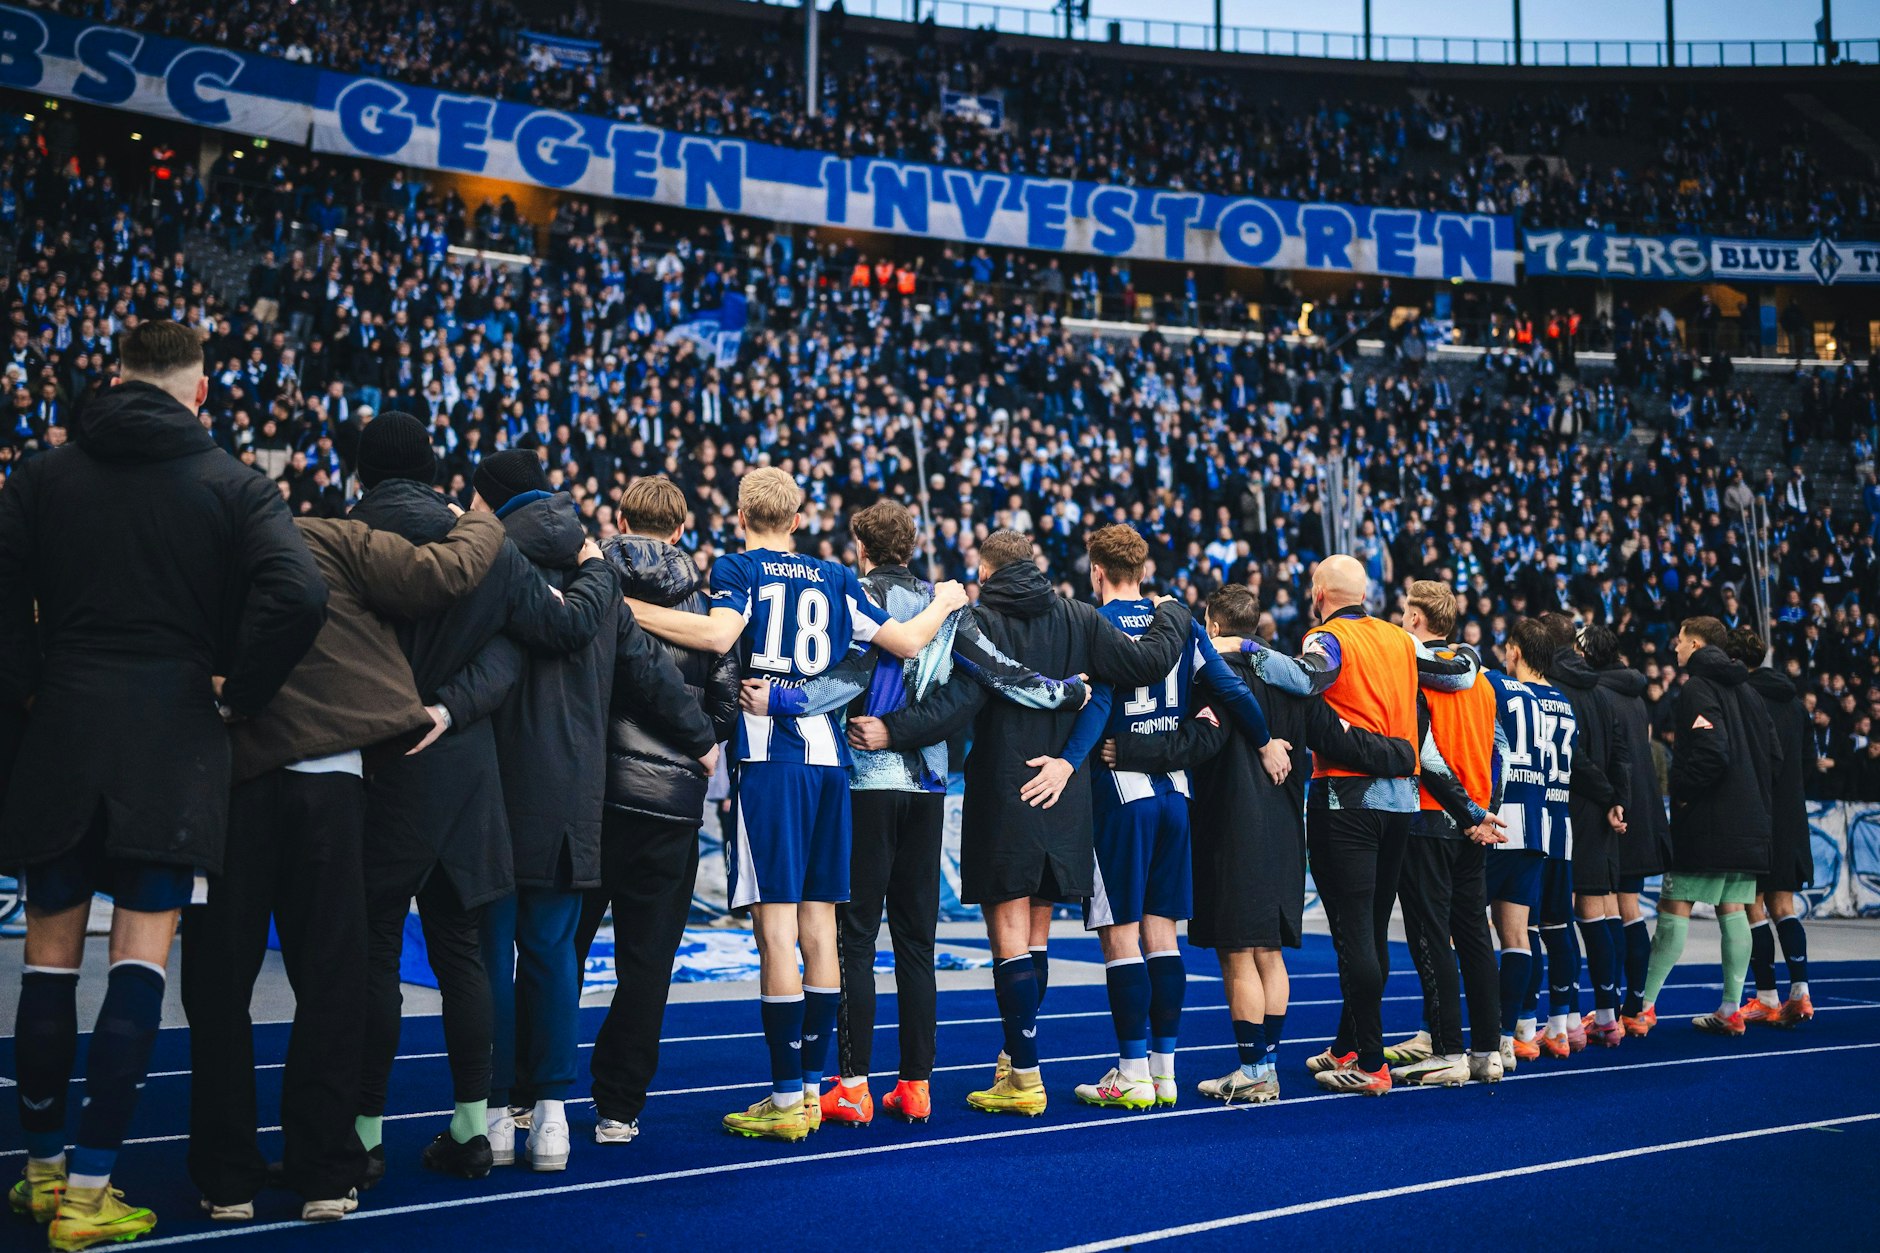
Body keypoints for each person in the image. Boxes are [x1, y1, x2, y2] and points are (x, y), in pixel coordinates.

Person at [1, 320, 327, 1249]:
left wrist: (27, 681)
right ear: (200, 392)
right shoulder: (233, 481)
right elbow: (299, 595)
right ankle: (91, 1195)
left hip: (58, 728)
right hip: (172, 742)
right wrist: (239, 687)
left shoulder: (43, 471)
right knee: (139, 964)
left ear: (115, 378)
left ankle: (41, 1173)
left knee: (49, 963)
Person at [621, 468, 965, 1143]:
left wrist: (619, 607)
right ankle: (813, 1089)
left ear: (743, 511)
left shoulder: (738, 566)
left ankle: (786, 1099)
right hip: (830, 765)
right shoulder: (838, 576)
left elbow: (719, 637)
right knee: (820, 927)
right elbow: (907, 642)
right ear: (800, 515)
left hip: (771, 761)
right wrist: (947, 597)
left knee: (776, 931)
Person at [185, 505, 505, 1224]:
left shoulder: (208, 538)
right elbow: (444, 573)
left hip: (229, 776)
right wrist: (482, 517)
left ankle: (227, 1178)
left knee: (217, 984)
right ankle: (325, 1171)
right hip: (328, 775)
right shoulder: (329, 535)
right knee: (332, 979)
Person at [348, 414, 615, 1182]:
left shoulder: (342, 533)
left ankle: (383, 1130)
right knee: (497, 953)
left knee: (390, 956)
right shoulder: (500, 553)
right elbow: (562, 633)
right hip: (497, 780)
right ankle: (509, 1123)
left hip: (400, 769)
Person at [759, 500, 1085, 1127]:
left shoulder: (850, 597)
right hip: (929, 791)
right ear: (911, 546)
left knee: (855, 939)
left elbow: (843, 680)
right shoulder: (951, 611)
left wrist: (777, 698)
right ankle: (916, 1085)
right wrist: (1067, 690)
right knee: (917, 943)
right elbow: (1003, 677)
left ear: (861, 547)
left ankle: (851, 1085)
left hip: (863, 787)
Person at [858, 528, 1194, 1117]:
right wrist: (1173, 612)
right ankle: (1017, 1063)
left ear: (984, 571)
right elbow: (1143, 666)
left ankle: (1025, 1076)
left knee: (1008, 940)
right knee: (1034, 936)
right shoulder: (1080, 616)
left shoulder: (980, 618)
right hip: (1064, 794)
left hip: (1005, 789)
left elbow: (960, 702)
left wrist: (893, 731)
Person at [473, 452, 716, 1172]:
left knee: (525, 953)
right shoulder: (688, 601)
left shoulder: (546, 573)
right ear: (680, 528)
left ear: (619, 519)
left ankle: (508, 1105)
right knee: (613, 960)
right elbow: (674, 681)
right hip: (629, 798)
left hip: (542, 788)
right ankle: (591, 1112)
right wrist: (703, 743)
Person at [1100, 585, 1415, 1104]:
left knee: (1238, 954)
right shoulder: (1294, 684)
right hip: (1287, 833)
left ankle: (1253, 1068)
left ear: (1214, 628)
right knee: (1270, 952)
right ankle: (1264, 1063)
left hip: (1231, 831)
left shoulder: (1216, 680)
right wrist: (1402, 754)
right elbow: (1340, 739)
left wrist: (1126, 748)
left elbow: (1198, 742)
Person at [1050, 524, 1291, 1111]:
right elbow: (1231, 690)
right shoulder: (1179, 623)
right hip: (1175, 796)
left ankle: (1131, 1070)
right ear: (1144, 569)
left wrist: (1065, 761)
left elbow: (1100, 702)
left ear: (1097, 571)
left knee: (1120, 935)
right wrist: (1263, 740)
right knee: (1162, 935)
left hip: (1121, 796)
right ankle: (1163, 1072)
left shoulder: (1093, 623)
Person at [1222, 554, 1475, 1095]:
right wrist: (1470, 810)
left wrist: (1243, 646)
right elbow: (1457, 674)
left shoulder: (1327, 638)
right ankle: (1352, 1044)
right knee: (1375, 931)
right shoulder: (1400, 640)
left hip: (1347, 801)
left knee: (1354, 935)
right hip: (1403, 804)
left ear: (1318, 593)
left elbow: (1306, 679)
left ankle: (1372, 1063)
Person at [576, 476, 739, 1148]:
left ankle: (529, 1097)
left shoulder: (586, 588)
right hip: (670, 806)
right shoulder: (707, 610)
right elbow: (723, 713)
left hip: (587, 798)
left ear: (618, 518)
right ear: (679, 531)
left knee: (559, 950)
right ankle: (618, 1106)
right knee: (647, 964)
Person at [1386, 581, 1508, 1087]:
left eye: (1404, 613)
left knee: (1431, 936)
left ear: (1416, 619)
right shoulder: (1481, 680)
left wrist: (1466, 811)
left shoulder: (1415, 676)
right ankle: (1488, 1050)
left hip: (1433, 818)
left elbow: (1427, 757)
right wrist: (1483, 814)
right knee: (1475, 935)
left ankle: (1448, 1049)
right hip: (1473, 825)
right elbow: (1499, 753)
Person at [1634, 616, 1779, 1037]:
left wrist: (1681, 792)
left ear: (1695, 644)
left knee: (1674, 907)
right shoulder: (1750, 692)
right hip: (1749, 821)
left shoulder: (1698, 687)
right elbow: (1774, 755)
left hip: (1708, 821)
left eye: (1678, 641)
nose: (1673, 649)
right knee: (1732, 907)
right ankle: (1731, 1009)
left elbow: (1712, 752)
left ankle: (1642, 1007)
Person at [1483, 619, 1577, 1072]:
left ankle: (1443, 1032)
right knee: (1522, 934)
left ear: (1515, 652)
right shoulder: (1563, 703)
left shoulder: (1500, 687)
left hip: (1500, 820)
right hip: (1544, 825)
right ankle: (1512, 1034)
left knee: (1458, 928)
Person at [1544, 615, 1630, 1050]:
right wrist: (1617, 800)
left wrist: (1606, 792)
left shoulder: (1551, 690)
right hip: (1599, 815)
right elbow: (1622, 754)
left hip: (1564, 810)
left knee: (1555, 917)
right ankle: (1609, 1017)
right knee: (1594, 915)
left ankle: (1568, 1020)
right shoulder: (1600, 691)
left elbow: (1571, 757)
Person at [1723, 626, 1815, 1027]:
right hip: (1792, 813)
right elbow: (1809, 762)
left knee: (1752, 905)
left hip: (1757, 813)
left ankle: (1765, 996)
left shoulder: (1744, 697)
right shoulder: (1795, 703)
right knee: (1785, 906)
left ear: (1734, 660)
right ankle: (1801, 992)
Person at [1583, 624, 1670, 1033]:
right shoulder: (1635, 694)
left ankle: (1614, 1008)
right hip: (1644, 808)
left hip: (1616, 809)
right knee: (1631, 908)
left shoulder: (1599, 694)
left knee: (1613, 909)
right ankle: (1635, 1004)